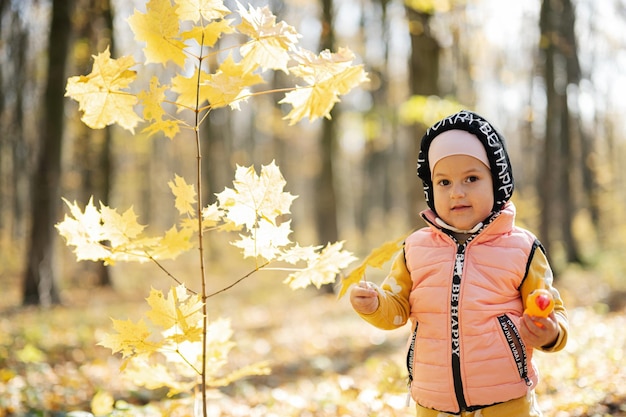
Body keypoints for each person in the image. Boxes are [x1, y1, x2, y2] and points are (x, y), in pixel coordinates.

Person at [350, 110, 568, 417]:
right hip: (433, 402)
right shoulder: (415, 248)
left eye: (472, 178)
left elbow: (552, 310)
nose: (457, 192)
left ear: (497, 182)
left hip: (505, 402)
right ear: (431, 189)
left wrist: (550, 332)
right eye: (444, 182)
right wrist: (373, 305)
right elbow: (396, 311)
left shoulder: (522, 247)